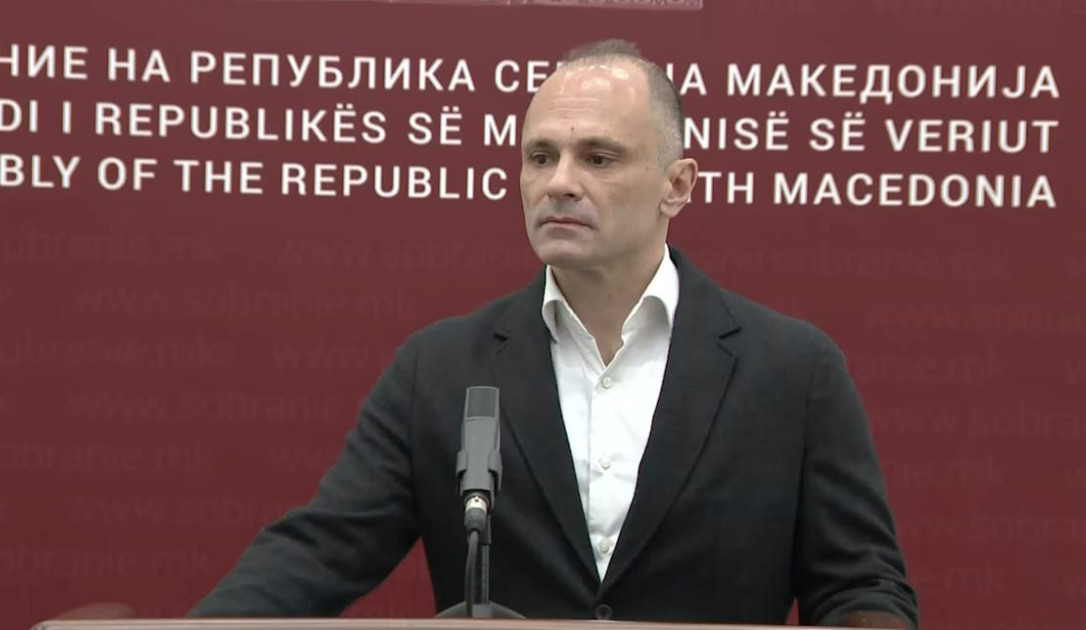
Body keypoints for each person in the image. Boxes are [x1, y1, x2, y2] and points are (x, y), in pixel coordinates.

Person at [189, 39, 919, 629]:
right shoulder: (441, 368)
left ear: (677, 186)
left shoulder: (791, 371)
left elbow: (861, 585)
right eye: (540, 157)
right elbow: (319, 552)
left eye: (598, 158)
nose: (559, 182)